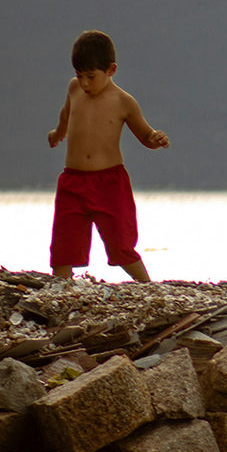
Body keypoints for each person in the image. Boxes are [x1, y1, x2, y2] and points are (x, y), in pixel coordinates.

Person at [46, 30, 169, 281]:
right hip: (73, 181)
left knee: (121, 244)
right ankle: (60, 290)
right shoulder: (73, 89)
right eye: (80, 76)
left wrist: (155, 139)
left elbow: (144, 134)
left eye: (91, 76)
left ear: (111, 70)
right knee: (63, 247)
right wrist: (59, 132)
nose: (85, 83)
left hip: (109, 184)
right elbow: (66, 112)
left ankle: (148, 286)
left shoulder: (124, 102)